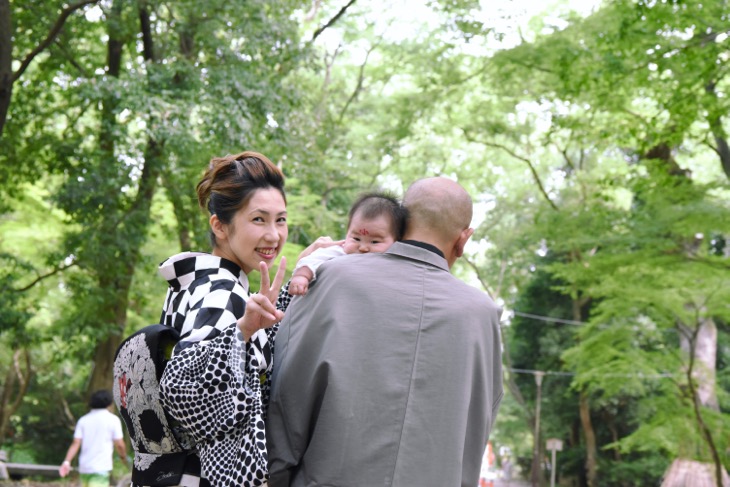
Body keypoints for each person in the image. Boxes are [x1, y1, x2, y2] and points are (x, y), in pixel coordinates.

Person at [266, 176, 504, 487]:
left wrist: (277, 476)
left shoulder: (334, 279)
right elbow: (477, 427)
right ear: (463, 239)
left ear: (403, 224)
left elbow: (287, 393)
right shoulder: (482, 314)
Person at [156, 151, 289, 487]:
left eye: (281, 219)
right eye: (259, 219)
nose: (273, 235)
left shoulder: (202, 282)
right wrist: (243, 330)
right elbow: (184, 392)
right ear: (219, 225)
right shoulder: (221, 291)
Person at [287, 191, 407, 296]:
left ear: (396, 241)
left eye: (375, 241)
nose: (363, 248)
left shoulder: (396, 263)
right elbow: (314, 259)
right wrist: (302, 276)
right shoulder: (339, 251)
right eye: (356, 238)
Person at [59, 389, 129, 487]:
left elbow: (75, 443)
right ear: (109, 404)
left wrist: (67, 461)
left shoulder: (83, 420)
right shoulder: (113, 420)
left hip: (84, 467)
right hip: (101, 468)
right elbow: (120, 444)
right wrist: (123, 457)